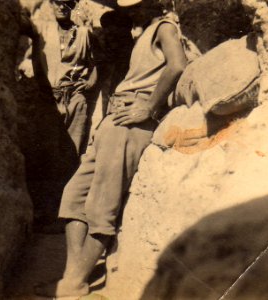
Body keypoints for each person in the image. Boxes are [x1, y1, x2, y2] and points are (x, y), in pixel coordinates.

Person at [35, 0, 187, 297]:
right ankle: (73, 275)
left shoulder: (165, 27)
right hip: (114, 121)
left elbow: (178, 64)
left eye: (138, 5)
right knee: (73, 195)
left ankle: (73, 283)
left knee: (101, 206)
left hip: (130, 125)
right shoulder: (142, 32)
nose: (131, 10)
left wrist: (150, 107)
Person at [22, 0, 99, 157]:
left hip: (75, 99)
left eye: (67, 2)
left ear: (74, 5)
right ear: (51, 4)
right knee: (45, 151)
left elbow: (102, 59)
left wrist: (91, 81)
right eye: (58, 2)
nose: (62, 7)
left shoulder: (84, 33)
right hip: (48, 98)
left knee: (72, 152)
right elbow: (18, 21)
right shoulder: (41, 28)